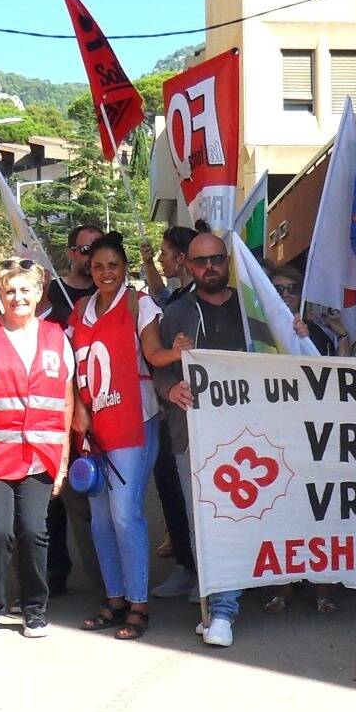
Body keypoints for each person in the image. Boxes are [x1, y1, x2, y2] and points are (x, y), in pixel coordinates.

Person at [152, 231, 279, 646]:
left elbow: (282, 353)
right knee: (203, 525)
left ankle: (222, 609)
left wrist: (295, 330)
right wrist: (170, 389)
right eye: (200, 261)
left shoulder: (252, 308)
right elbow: (158, 367)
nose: (209, 267)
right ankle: (217, 606)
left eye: (217, 259)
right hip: (194, 436)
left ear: (227, 262)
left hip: (253, 437)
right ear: (188, 266)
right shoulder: (175, 313)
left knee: (238, 520)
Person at [0, 258, 75, 641]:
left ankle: (34, 608)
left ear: (38, 293)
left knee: (34, 531)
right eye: (9, 290)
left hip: (41, 456)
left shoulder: (58, 338)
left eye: (25, 290)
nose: (17, 297)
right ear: (0, 295)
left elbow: (66, 402)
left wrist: (63, 460)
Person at [66, 234, 165, 639]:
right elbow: (74, 369)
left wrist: (179, 351)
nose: (106, 273)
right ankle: (116, 598)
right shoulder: (80, 310)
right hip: (94, 424)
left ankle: (139, 604)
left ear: (125, 268)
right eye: (98, 266)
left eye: (113, 265)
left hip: (134, 419)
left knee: (125, 513)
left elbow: (153, 354)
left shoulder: (140, 304)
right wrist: (79, 407)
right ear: (89, 270)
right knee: (101, 519)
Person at [39, 224, 105, 599]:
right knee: (54, 499)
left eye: (97, 249)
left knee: (93, 496)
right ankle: (54, 571)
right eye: (84, 250)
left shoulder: (108, 292)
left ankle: (106, 580)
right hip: (58, 409)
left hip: (102, 407)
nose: (90, 256)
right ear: (70, 253)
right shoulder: (51, 295)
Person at [145, 227, 202, 597]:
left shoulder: (204, 303)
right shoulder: (177, 302)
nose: (161, 259)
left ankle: (205, 575)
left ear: (182, 259)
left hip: (203, 417)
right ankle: (186, 564)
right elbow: (160, 296)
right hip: (173, 415)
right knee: (172, 492)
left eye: (165, 253)